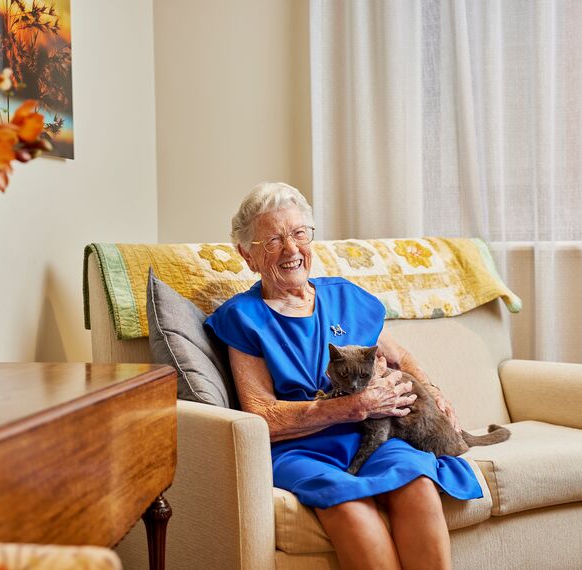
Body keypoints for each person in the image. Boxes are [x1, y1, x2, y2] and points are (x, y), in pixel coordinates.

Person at [205, 182, 482, 570]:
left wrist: (434, 393)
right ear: (247, 256)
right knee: (350, 507)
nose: (291, 250)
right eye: (272, 241)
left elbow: (400, 357)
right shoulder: (245, 317)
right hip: (302, 446)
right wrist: (352, 407)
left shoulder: (344, 297)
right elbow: (261, 415)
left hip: (373, 436)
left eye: (299, 234)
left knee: (418, 484)